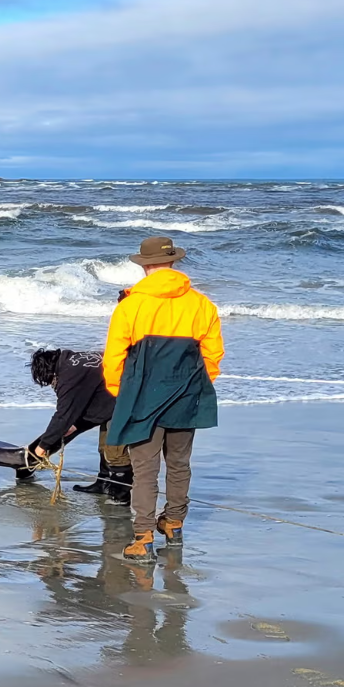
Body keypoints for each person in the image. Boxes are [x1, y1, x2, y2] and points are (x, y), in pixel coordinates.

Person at [104, 236, 223, 562]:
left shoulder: (131, 305)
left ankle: (143, 537)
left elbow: (113, 358)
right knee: (179, 463)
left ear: (144, 266)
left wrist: (121, 393)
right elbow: (213, 356)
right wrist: (193, 385)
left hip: (142, 396)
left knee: (144, 470)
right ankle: (174, 523)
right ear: (173, 263)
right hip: (186, 393)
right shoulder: (202, 304)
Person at [27, 348, 132, 504]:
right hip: (113, 397)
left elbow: (63, 415)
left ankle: (121, 496)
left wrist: (41, 447)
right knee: (104, 447)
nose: (52, 385)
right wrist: (76, 425)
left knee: (115, 451)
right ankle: (103, 483)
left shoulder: (70, 375)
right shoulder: (73, 361)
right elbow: (92, 399)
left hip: (127, 399)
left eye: (50, 381)